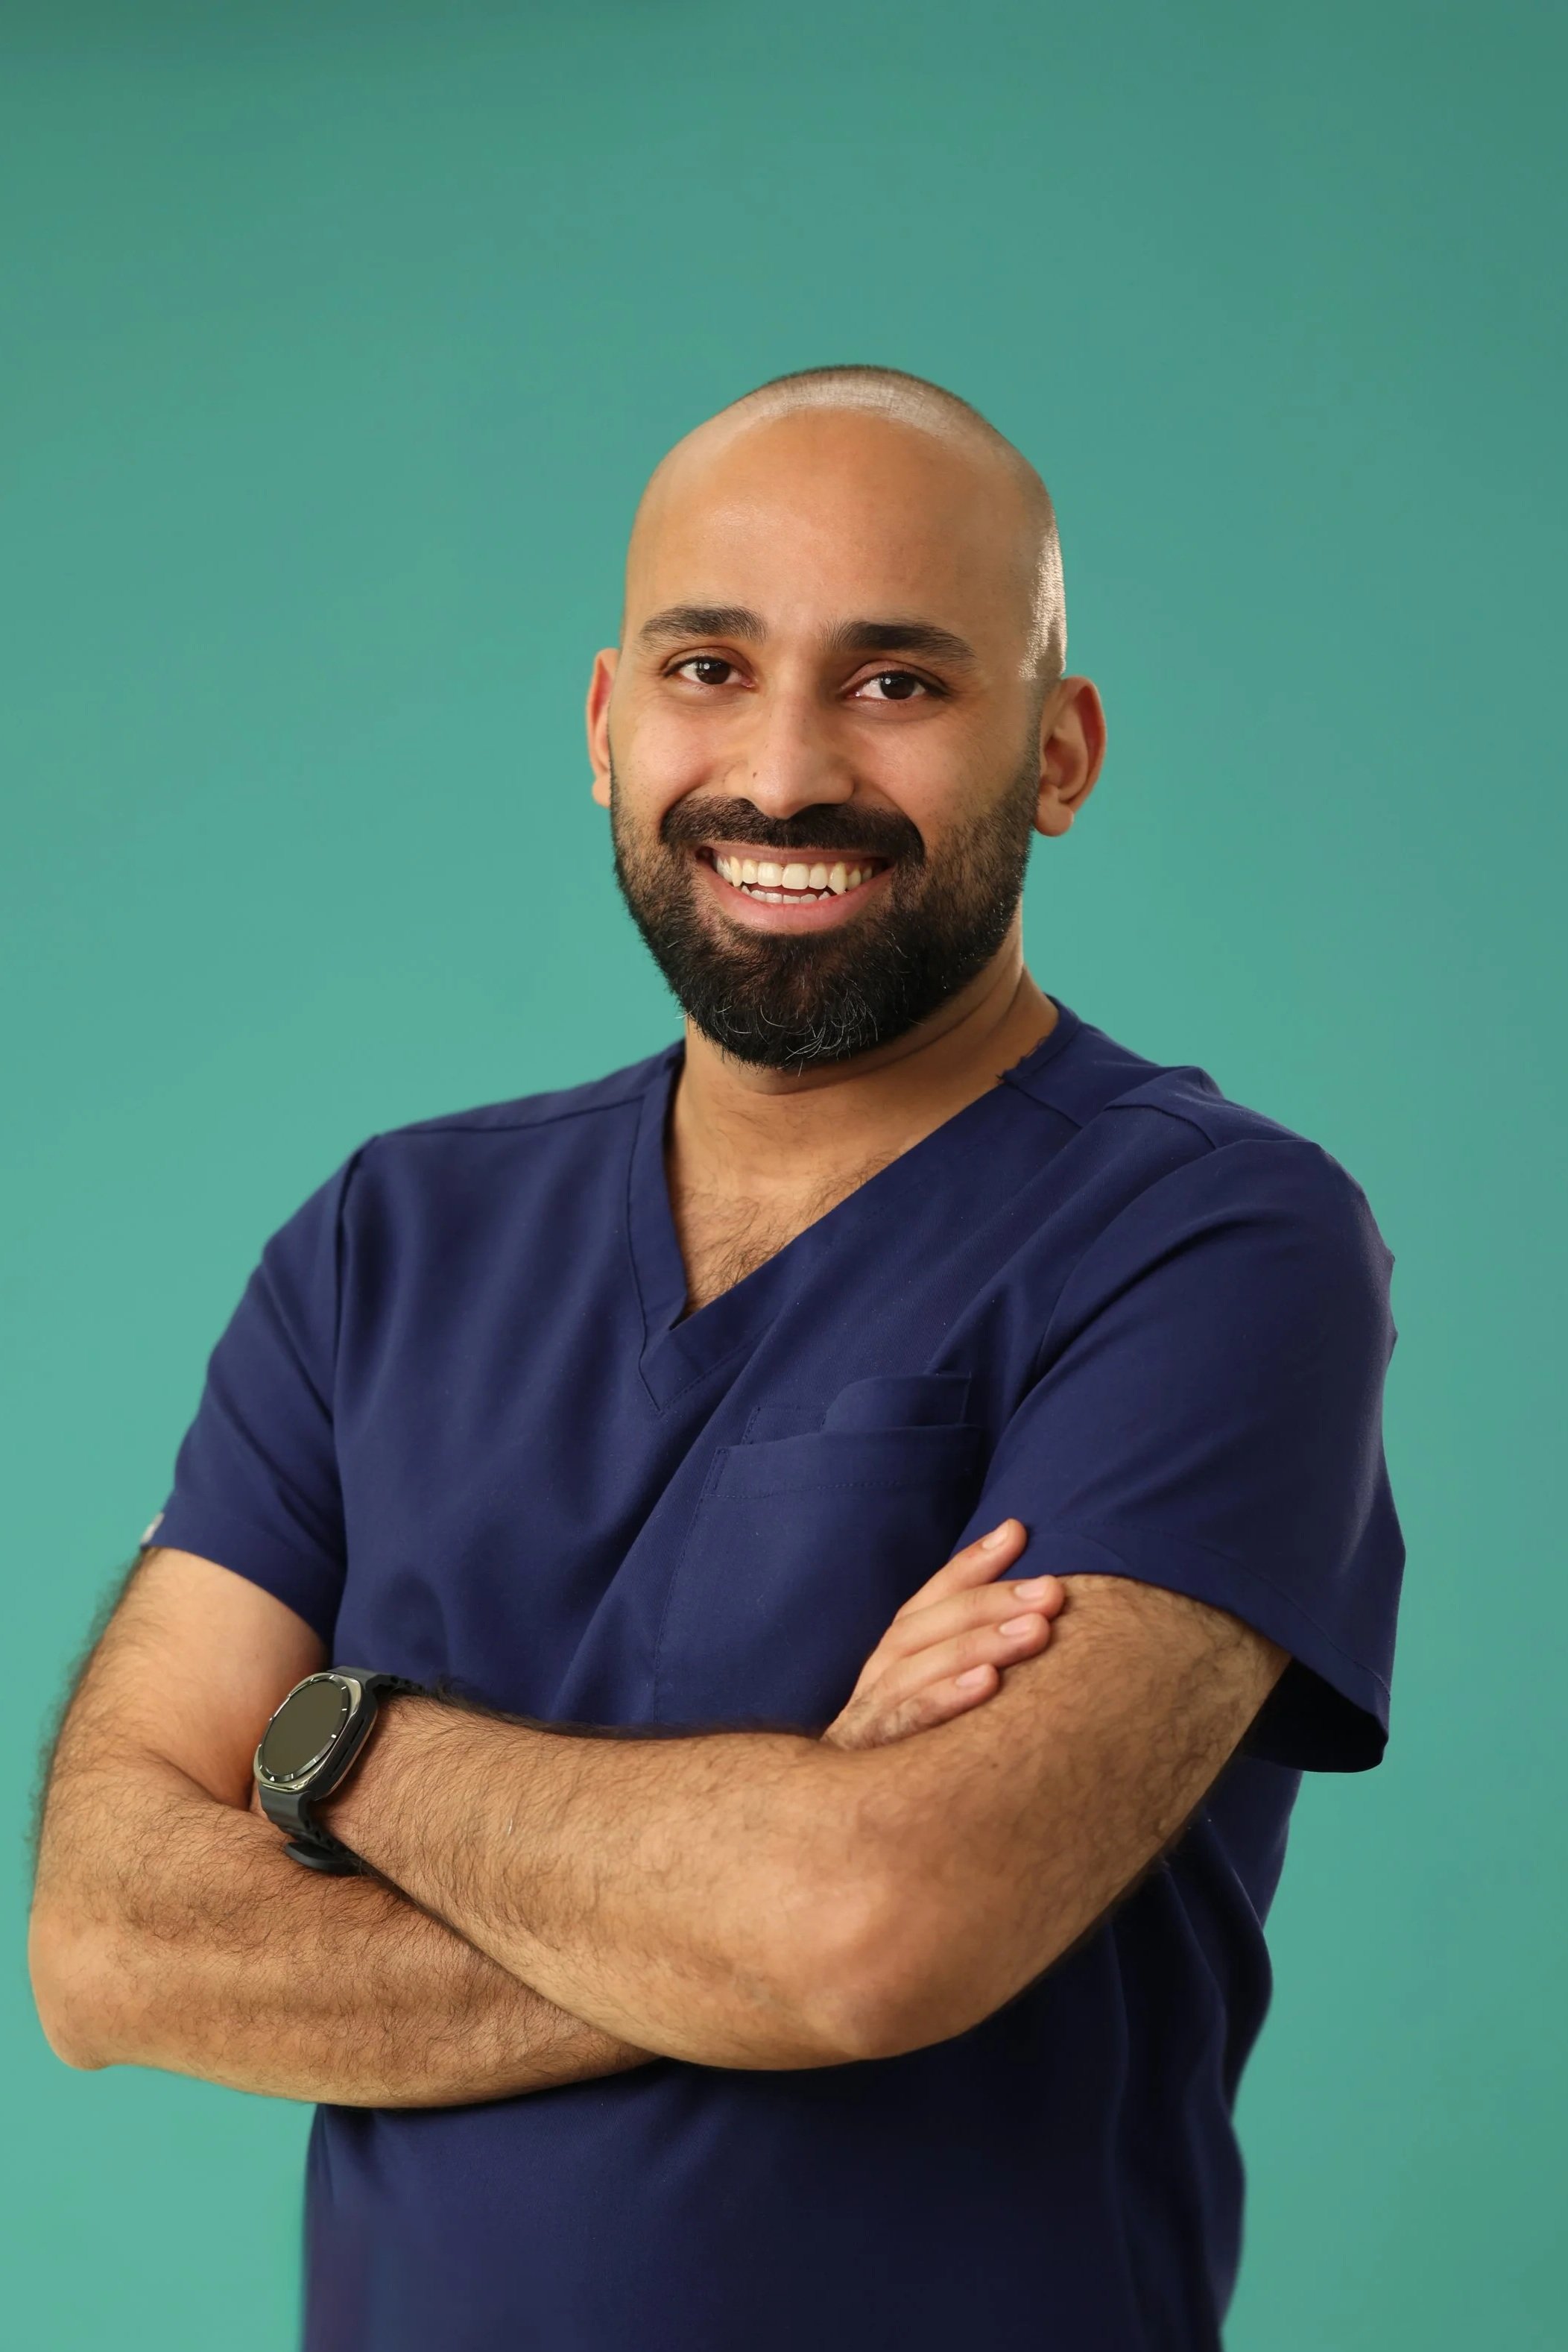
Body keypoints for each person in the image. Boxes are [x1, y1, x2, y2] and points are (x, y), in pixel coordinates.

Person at [28, 365, 1406, 2352]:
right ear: (605, 723)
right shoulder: (384, 1244)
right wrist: (751, 1874)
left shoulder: (1215, 1245)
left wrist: (339, 1745)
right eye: (705, 664)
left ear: (1062, 750)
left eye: (899, 682)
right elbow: (105, 1936)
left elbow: (872, 1930)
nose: (780, 771)